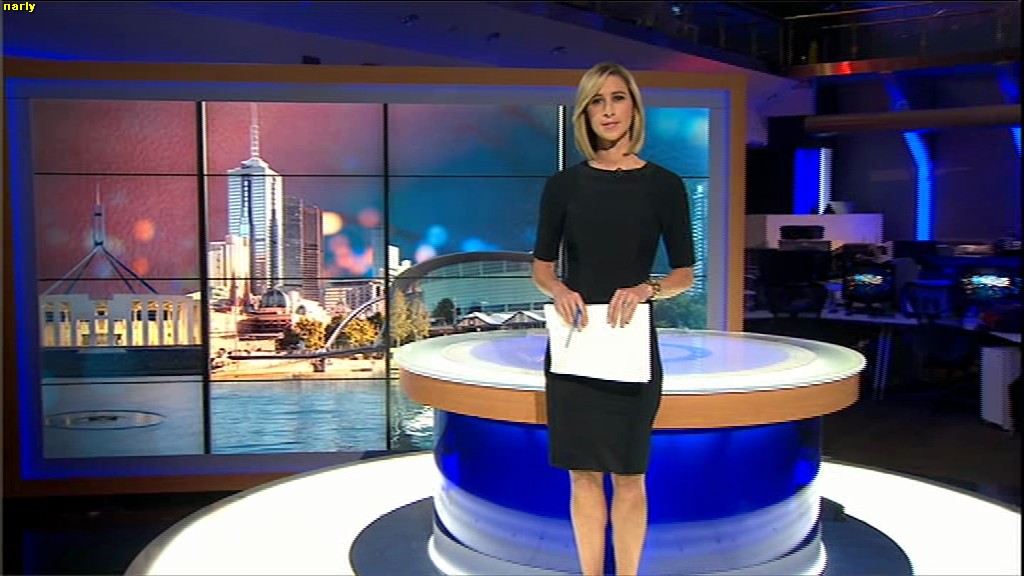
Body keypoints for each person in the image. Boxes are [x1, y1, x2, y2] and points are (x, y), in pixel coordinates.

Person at [531, 62, 696, 576]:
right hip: (576, 344)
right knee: (582, 475)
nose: (608, 111)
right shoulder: (563, 186)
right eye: (597, 102)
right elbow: (541, 268)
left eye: (617, 98)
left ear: (634, 108)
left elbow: (685, 274)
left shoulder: (664, 185)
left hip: (631, 345)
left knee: (629, 476)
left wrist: (647, 289)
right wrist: (559, 289)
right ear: (585, 113)